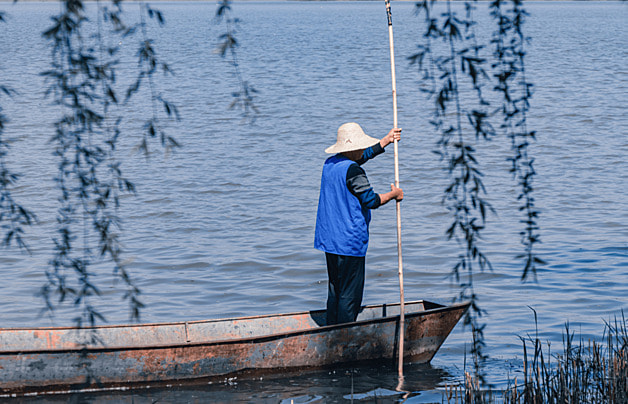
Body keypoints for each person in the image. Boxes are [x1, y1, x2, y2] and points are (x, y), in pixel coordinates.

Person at [314, 122, 403, 325]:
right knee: (349, 296)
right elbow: (370, 200)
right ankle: (343, 336)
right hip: (349, 241)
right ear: (353, 148)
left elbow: (358, 159)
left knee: (335, 290)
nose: (363, 149)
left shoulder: (330, 164)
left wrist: (384, 142)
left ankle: (331, 329)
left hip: (330, 239)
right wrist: (393, 194)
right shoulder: (353, 171)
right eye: (361, 146)